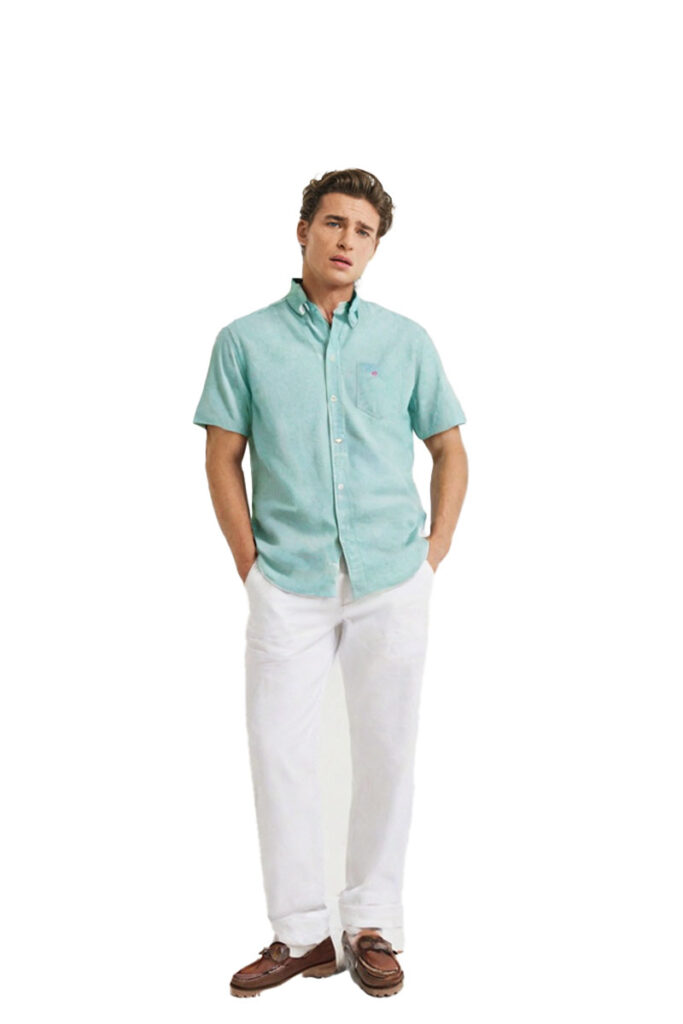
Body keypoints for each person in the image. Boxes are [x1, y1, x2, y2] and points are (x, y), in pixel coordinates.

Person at [192, 168, 469, 998]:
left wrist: (434, 551)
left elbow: (448, 447)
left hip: (391, 574)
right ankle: (302, 933)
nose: (347, 240)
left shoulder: (405, 340)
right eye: (334, 223)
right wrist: (249, 565)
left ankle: (372, 922)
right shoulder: (243, 341)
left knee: (386, 747)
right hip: (288, 578)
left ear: (375, 247)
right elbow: (222, 457)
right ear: (303, 230)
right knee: (278, 750)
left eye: (363, 231)